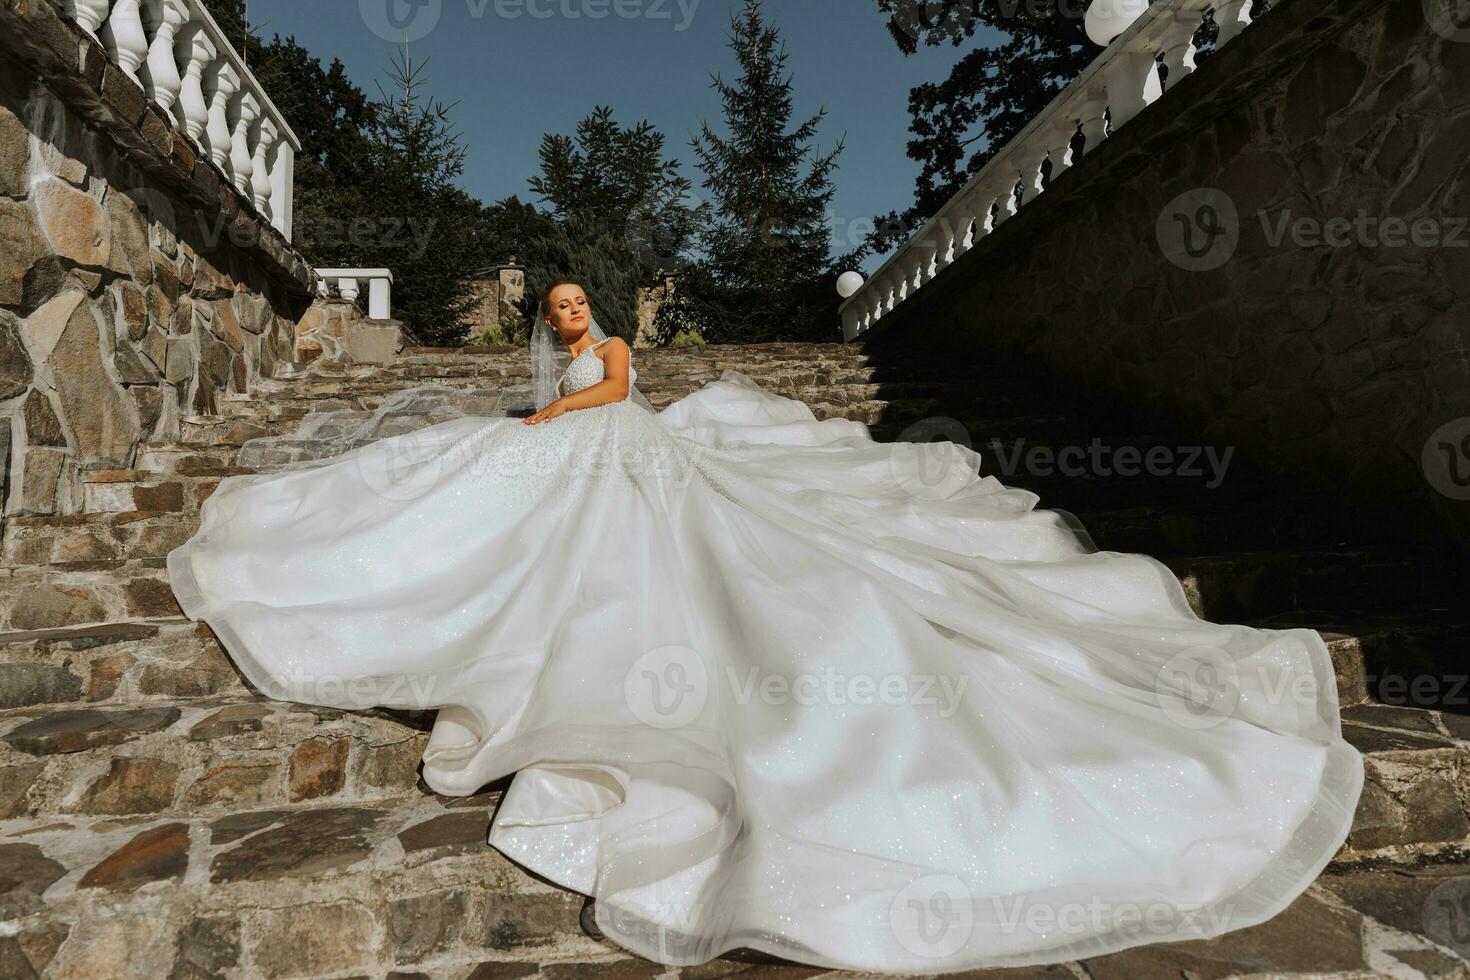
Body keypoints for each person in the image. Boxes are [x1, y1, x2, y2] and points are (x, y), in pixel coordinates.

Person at [167, 279, 1363, 974]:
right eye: (561, 305)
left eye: (578, 301)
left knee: (711, 558)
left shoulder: (614, 356)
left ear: (598, 308)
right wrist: (537, 426)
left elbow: (607, 398)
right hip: (574, 460)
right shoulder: (557, 362)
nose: (572, 313)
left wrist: (557, 418)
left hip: (627, 453)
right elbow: (557, 404)